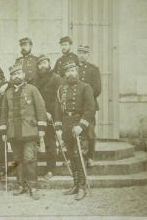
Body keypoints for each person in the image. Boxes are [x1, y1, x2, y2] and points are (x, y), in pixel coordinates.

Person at [0, 64, 47, 200]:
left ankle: (32, 186)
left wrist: (42, 128)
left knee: (29, 158)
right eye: (13, 74)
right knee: (17, 160)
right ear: (11, 77)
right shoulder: (8, 93)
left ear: (23, 75)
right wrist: (3, 131)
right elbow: (4, 113)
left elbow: (40, 108)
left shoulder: (32, 89)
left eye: (19, 73)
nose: (16, 76)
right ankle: (20, 185)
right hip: (13, 132)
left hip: (29, 130)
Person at [54, 61, 95, 201]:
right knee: (71, 156)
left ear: (77, 72)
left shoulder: (85, 87)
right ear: (64, 74)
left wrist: (81, 126)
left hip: (79, 125)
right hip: (66, 124)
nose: (70, 73)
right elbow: (57, 110)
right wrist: (59, 128)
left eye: (72, 70)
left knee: (79, 156)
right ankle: (76, 184)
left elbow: (90, 109)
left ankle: (82, 187)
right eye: (67, 71)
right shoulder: (61, 89)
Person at [35, 55, 63, 179]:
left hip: (51, 115)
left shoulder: (56, 79)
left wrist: (52, 115)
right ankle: (32, 171)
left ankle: (51, 169)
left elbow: (59, 100)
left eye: (44, 63)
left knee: (50, 142)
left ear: (49, 63)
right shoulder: (35, 80)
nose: (42, 66)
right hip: (37, 115)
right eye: (40, 64)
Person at [77, 45, 102, 166]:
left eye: (84, 53)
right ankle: (79, 157)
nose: (82, 55)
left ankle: (90, 157)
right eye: (80, 52)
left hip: (90, 105)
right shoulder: (73, 69)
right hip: (76, 106)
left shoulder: (94, 69)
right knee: (78, 130)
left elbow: (97, 89)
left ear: (88, 55)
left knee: (90, 131)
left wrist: (86, 97)